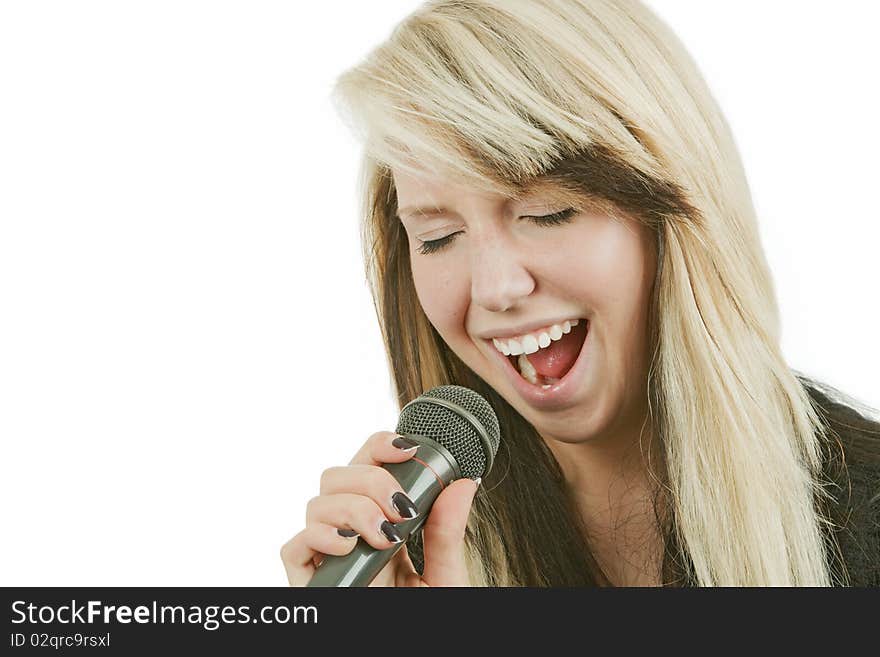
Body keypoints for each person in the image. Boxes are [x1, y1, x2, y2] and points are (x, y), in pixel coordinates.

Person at [281, 0, 880, 586]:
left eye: (550, 213)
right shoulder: (421, 557)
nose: (496, 290)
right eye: (439, 237)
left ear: (673, 221)